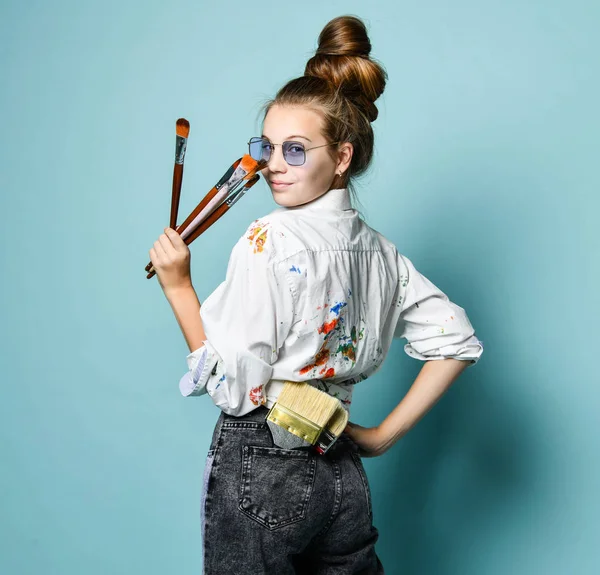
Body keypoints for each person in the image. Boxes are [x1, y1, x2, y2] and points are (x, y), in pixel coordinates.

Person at [149, 14, 483, 575]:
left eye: (296, 150)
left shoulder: (270, 239)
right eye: (267, 146)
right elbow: (456, 341)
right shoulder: (383, 254)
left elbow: (235, 389)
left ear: (343, 157)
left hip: (263, 461)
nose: (273, 165)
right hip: (342, 467)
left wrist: (179, 287)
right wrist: (378, 438)